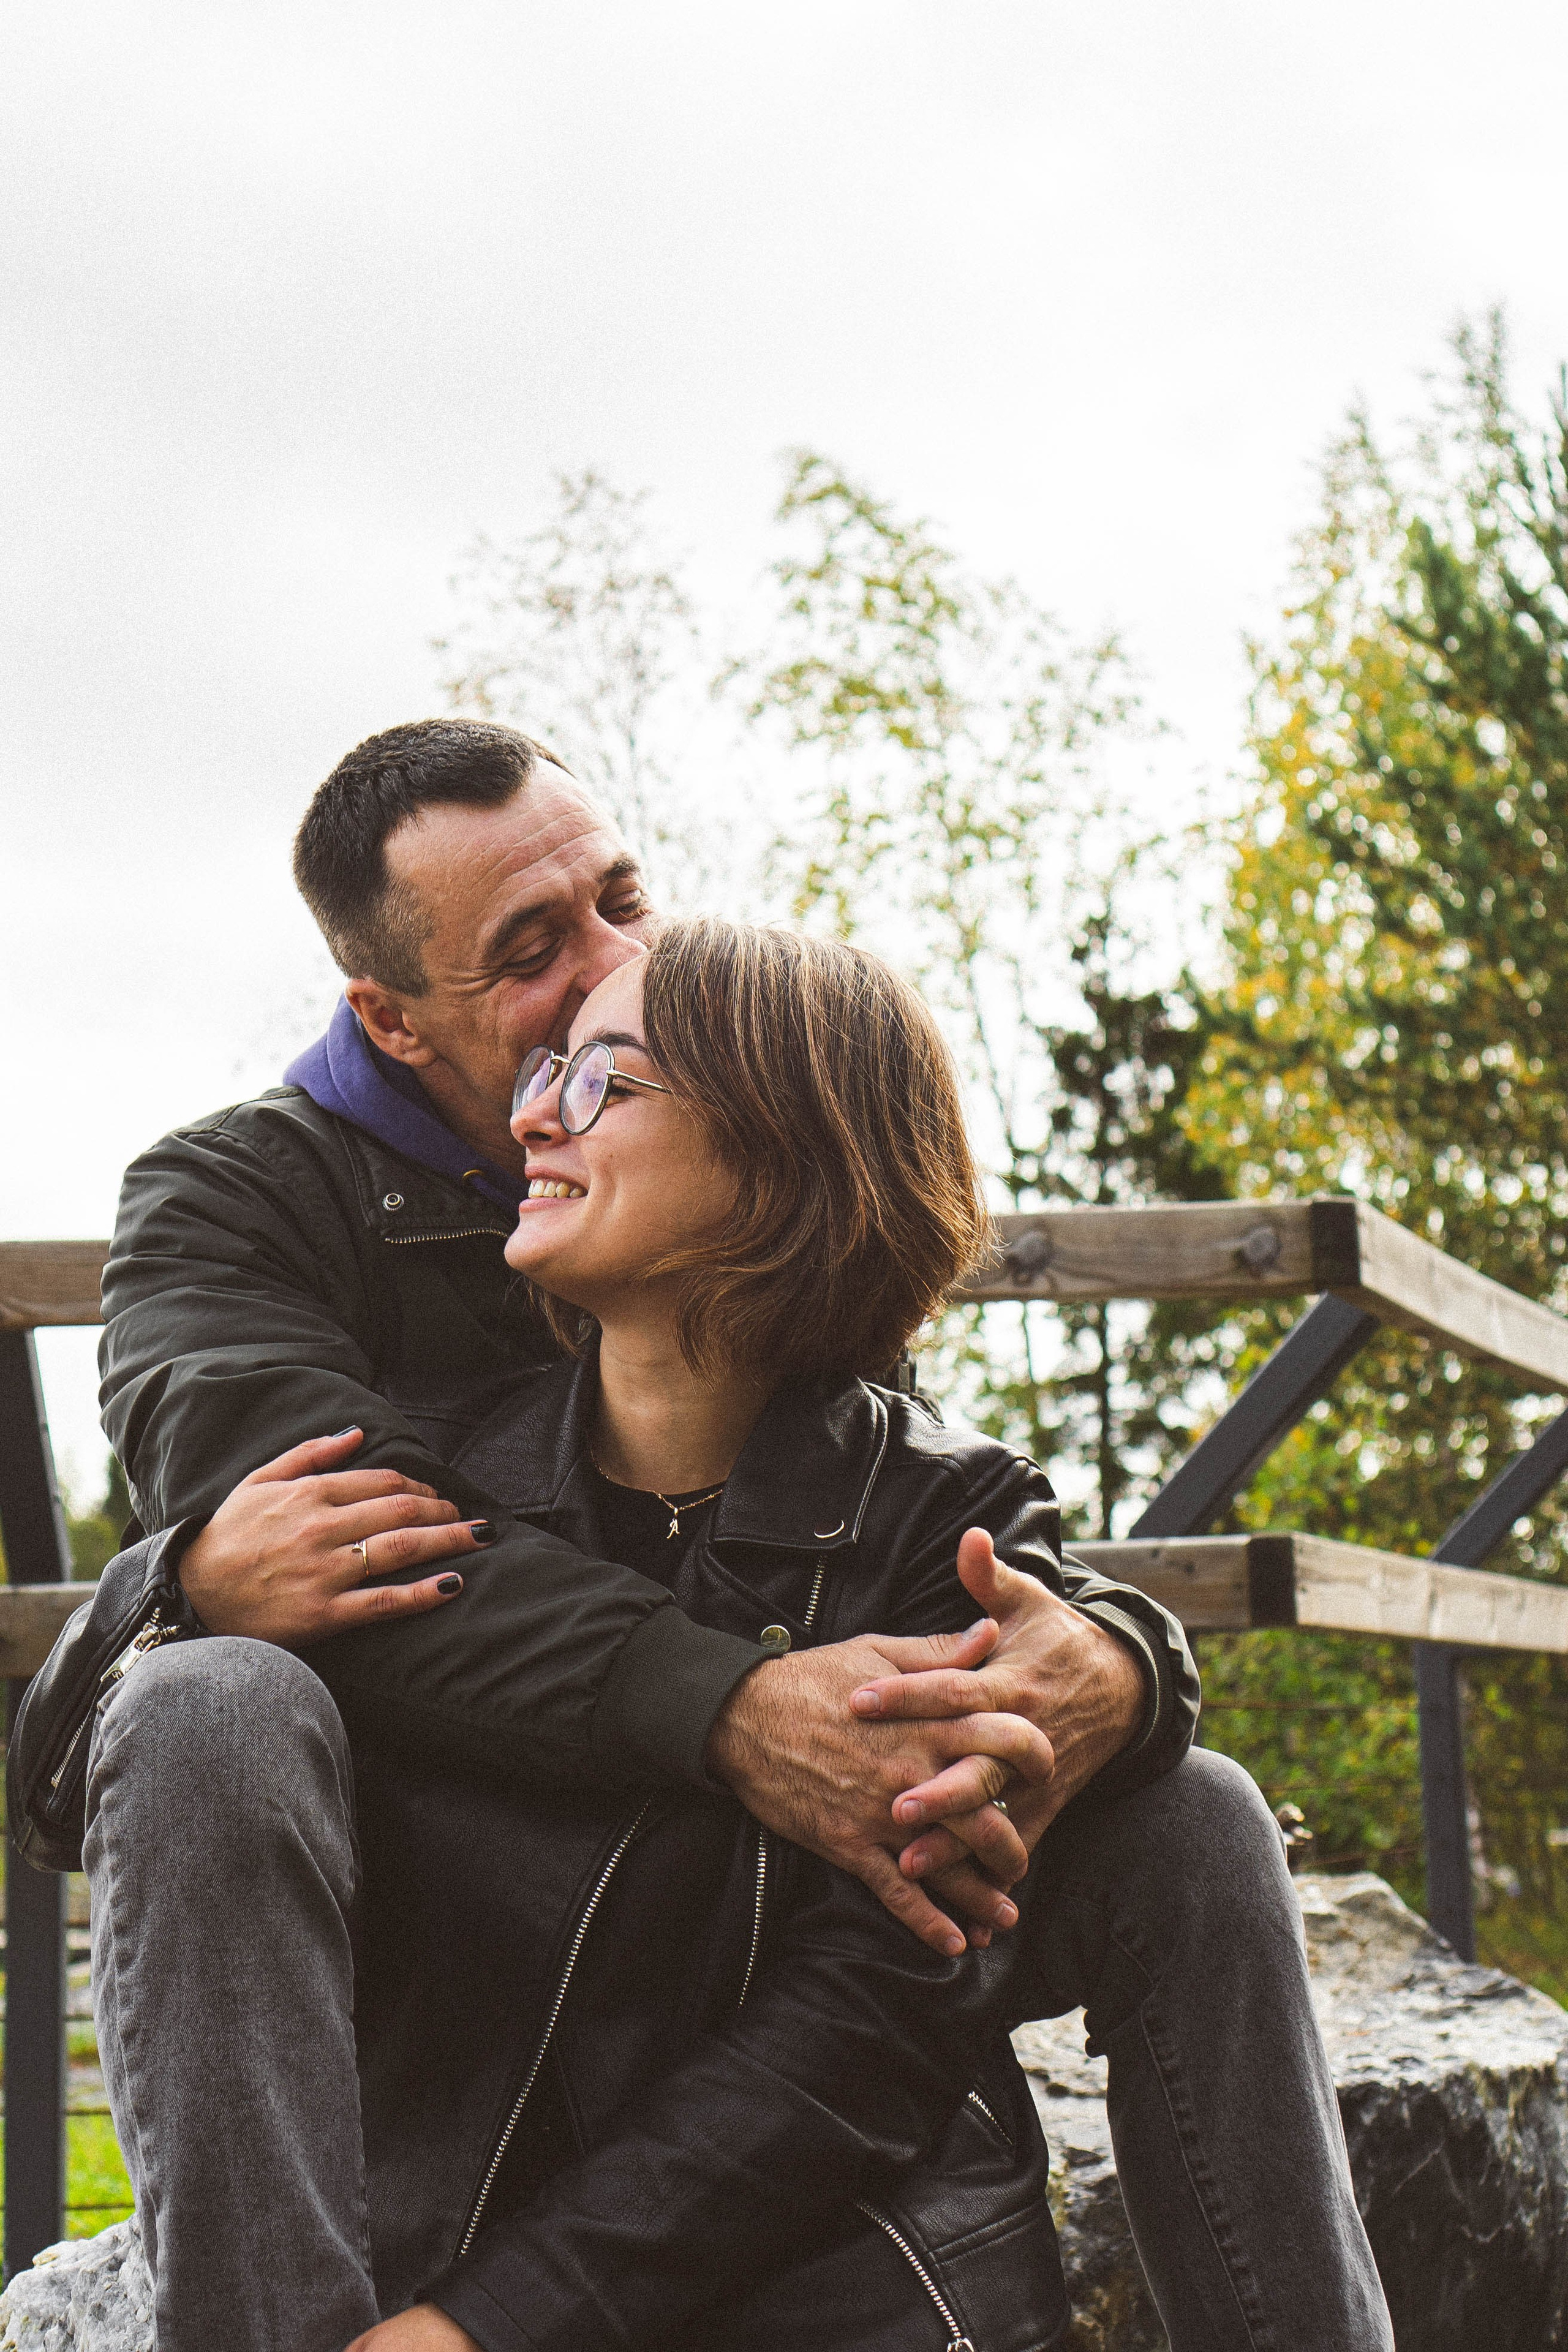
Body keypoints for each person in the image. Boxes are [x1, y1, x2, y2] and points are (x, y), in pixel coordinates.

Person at [9, 723, 1392, 2351]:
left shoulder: (772, 1268)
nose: (616, 957)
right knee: (210, 1704)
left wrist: (1115, 1663)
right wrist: (738, 1712)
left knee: (1192, 1816)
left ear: (770, 1171)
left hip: (731, 1934)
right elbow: (318, 1596)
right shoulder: (248, 1207)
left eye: (621, 899)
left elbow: (886, 1497)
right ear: (391, 1017)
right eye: (536, 959)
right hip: (438, 1873)